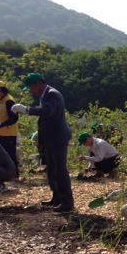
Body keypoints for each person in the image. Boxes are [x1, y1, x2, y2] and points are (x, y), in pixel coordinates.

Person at [12, 73, 74, 214]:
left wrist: (26, 110)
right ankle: (57, 197)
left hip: (58, 137)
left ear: (40, 83)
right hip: (50, 138)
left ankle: (67, 202)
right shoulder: (44, 95)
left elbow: (47, 111)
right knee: (51, 170)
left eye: (32, 87)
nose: (31, 91)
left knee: (60, 170)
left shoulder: (52, 94)